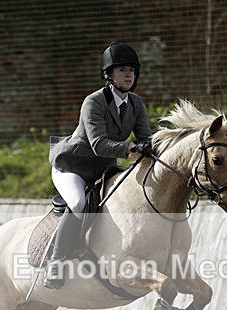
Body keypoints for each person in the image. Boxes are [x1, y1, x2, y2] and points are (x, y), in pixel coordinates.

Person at [44, 42, 154, 289]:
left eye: (132, 71)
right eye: (122, 70)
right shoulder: (93, 102)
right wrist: (130, 148)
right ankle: (56, 261)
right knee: (78, 203)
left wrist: (156, 146)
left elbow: (146, 137)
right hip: (72, 166)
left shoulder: (135, 103)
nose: (129, 75)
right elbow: (98, 144)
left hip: (103, 168)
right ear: (109, 74)